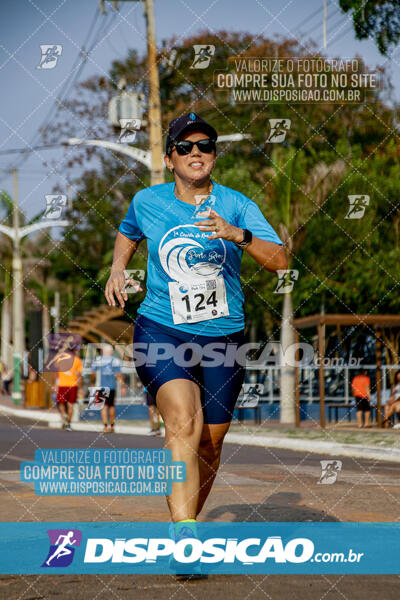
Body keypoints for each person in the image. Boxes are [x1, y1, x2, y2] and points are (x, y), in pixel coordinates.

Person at [105, 112, 287, 548]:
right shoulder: (147, 201)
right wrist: (117, 269)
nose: (196, 153)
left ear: (214, 156)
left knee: (210, 445)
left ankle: (181, 517)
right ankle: (186, 539)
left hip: (224, 339)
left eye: (204, 145)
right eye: (185, 147)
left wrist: (235, 234)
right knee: (184, 423)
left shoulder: (237, 203)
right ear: (170, 159)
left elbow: (280, 260)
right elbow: (128, 233)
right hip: (161, 330)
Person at [90, 344, 125, 433]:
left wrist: (92, 382)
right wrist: (123, 387)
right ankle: (112, 426)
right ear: (111, 352)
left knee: (104, 407)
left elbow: (93, 372)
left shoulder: (98, 360)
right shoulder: (115, 361)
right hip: (112, 387)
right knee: (111, 406)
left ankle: (105, 427)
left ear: (103, 351)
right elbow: (119, 375)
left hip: (102, 387)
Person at [54, 347, 83, 431]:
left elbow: (56, 373)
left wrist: (55, 385)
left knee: (61, 403)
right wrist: (80, 388)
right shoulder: (77, 360)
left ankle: (65, 416)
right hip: (73, 385)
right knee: (71, 404)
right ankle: (68, 424)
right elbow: (79, 376)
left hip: (62, 385)